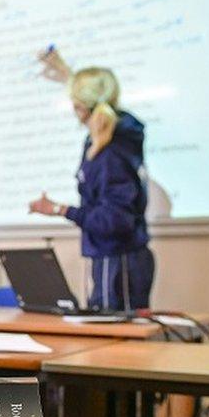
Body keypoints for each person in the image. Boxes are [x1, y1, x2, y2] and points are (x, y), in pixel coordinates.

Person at [28, 50, 155, 311]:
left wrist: (60, 210)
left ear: (81, 107)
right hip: (115, 258)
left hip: (118, 262)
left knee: (114, 343)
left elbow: (114, 220)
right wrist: (65, 72)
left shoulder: (109, 153)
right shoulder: (115, 137)